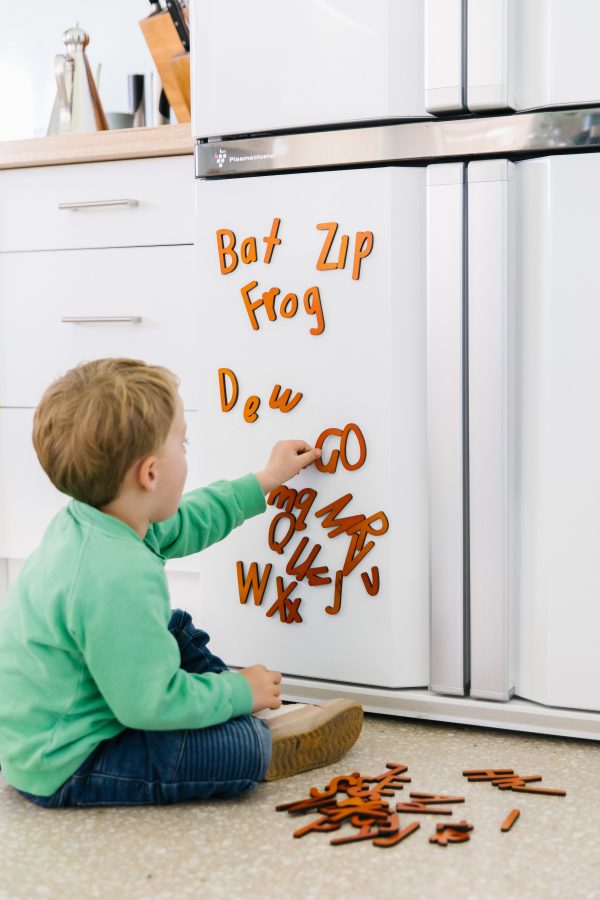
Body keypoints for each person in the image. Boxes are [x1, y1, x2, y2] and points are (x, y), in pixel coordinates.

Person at [0, 358, 363, 808]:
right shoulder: (116, 575)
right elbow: (147, 704)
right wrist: (238, 692)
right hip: (68, 761)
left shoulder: (99, 516)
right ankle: (254, 738)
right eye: (183, 443)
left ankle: (225, 710)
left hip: (69, 713)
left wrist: (265, 481)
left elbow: (189, 517)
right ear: (150, 474)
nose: (188, 452)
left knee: (172, 626)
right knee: (239, 750)